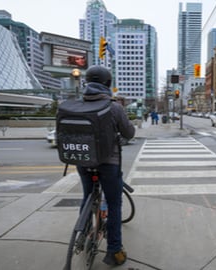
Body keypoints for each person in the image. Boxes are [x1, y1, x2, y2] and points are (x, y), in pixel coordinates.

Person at [75, 65, 135, 266]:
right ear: (107, 84)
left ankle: (82, 231)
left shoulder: (77, 105)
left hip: (83, 162)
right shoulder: (114, 107)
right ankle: (114, 251)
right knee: (114, 203)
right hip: (109, 164)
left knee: (87, 195)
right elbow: (129, 133)